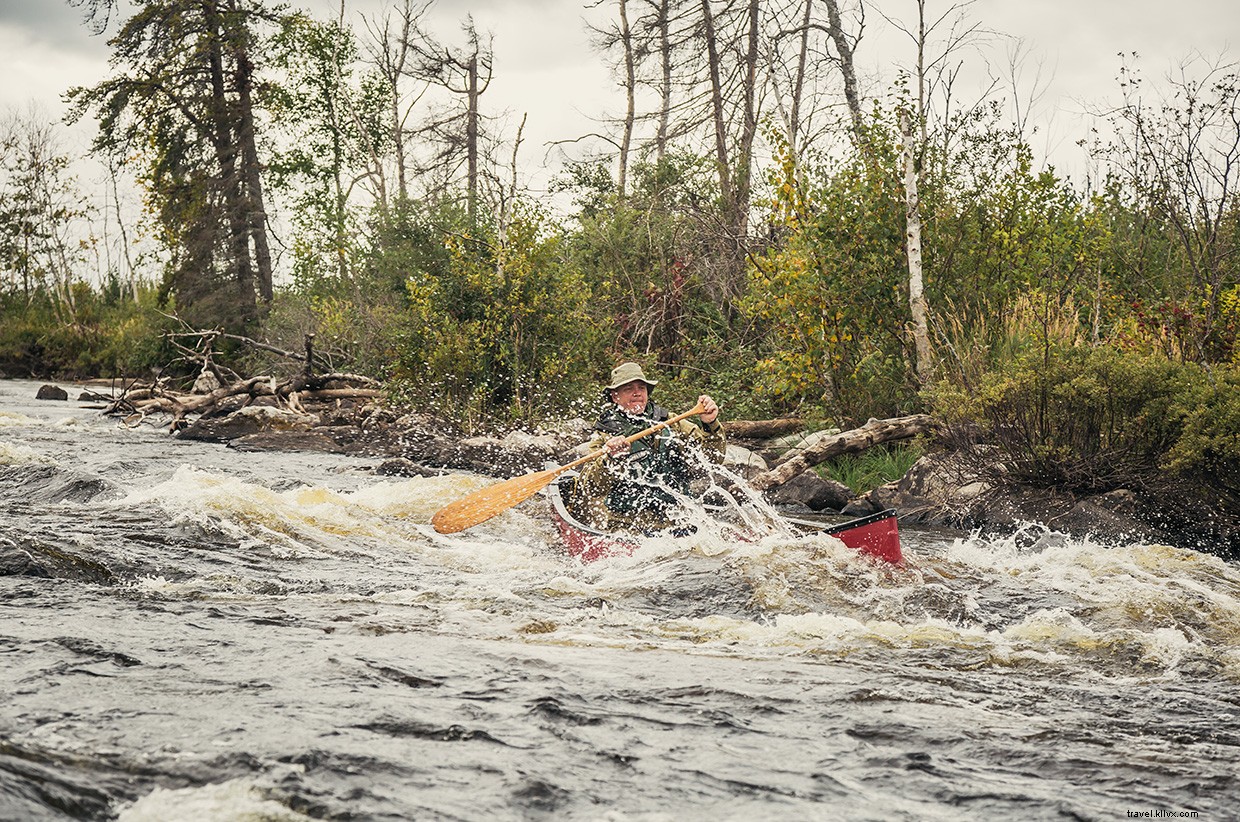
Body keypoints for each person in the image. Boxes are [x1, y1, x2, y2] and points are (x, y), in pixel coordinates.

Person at [567, 361, 726, 533]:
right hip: (628, 525)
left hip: (678, 519)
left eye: (641, 388)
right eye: (628, 389)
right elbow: (590, 487)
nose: (637, 393)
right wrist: (610, 459)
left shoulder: (671, 422)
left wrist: (710, 424)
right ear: (615, 396)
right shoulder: (605, 435)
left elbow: (712, 459)